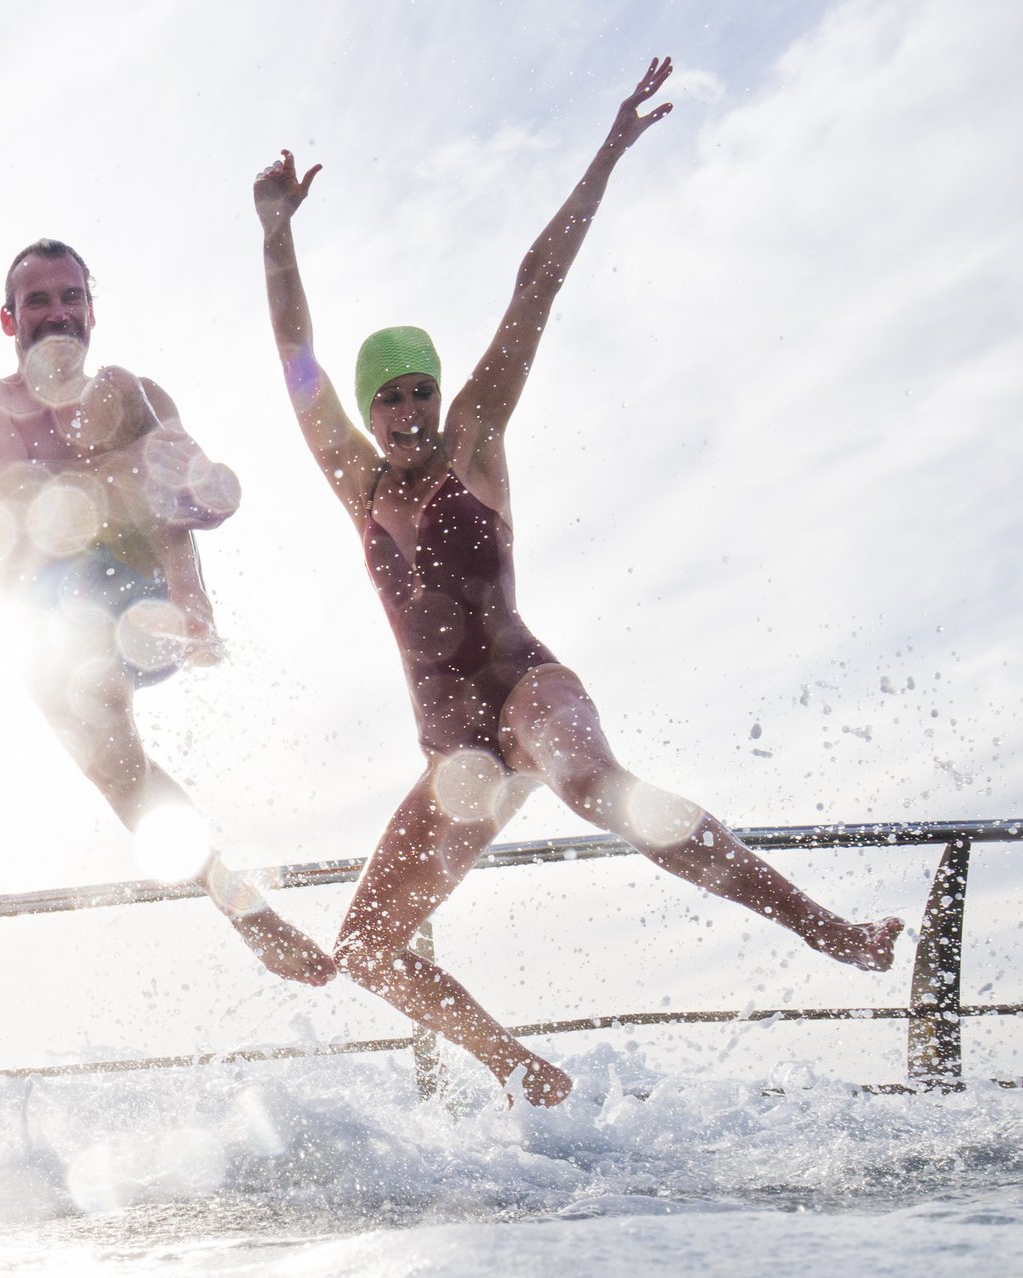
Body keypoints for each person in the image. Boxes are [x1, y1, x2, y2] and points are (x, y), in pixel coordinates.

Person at [252, 59, 901, 1105]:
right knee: (367, 948)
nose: (411, 412)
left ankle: (825, 927)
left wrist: (604, 154)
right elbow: (294, 351)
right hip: (454, 748)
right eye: (392, 399)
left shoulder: (475, 439)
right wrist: (275, 230)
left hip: (523, 688)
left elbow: (534, 285)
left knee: (599, 788)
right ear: (371, 412)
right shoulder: (355, 481)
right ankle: (521, 1069)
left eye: (421, 389)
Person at [0, 240, 335, 986]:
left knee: (126, 396)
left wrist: (192, 594)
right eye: (37, 302)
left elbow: (173, 516)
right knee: (126, 774)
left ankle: (176, 586)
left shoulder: (126, 391)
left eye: (69, 299)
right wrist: (149, 470)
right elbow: (27, 503)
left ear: (91, 310)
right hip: (45, 620)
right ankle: (246, 911)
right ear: (9, 319)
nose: (56, 314)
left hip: (133, 594)